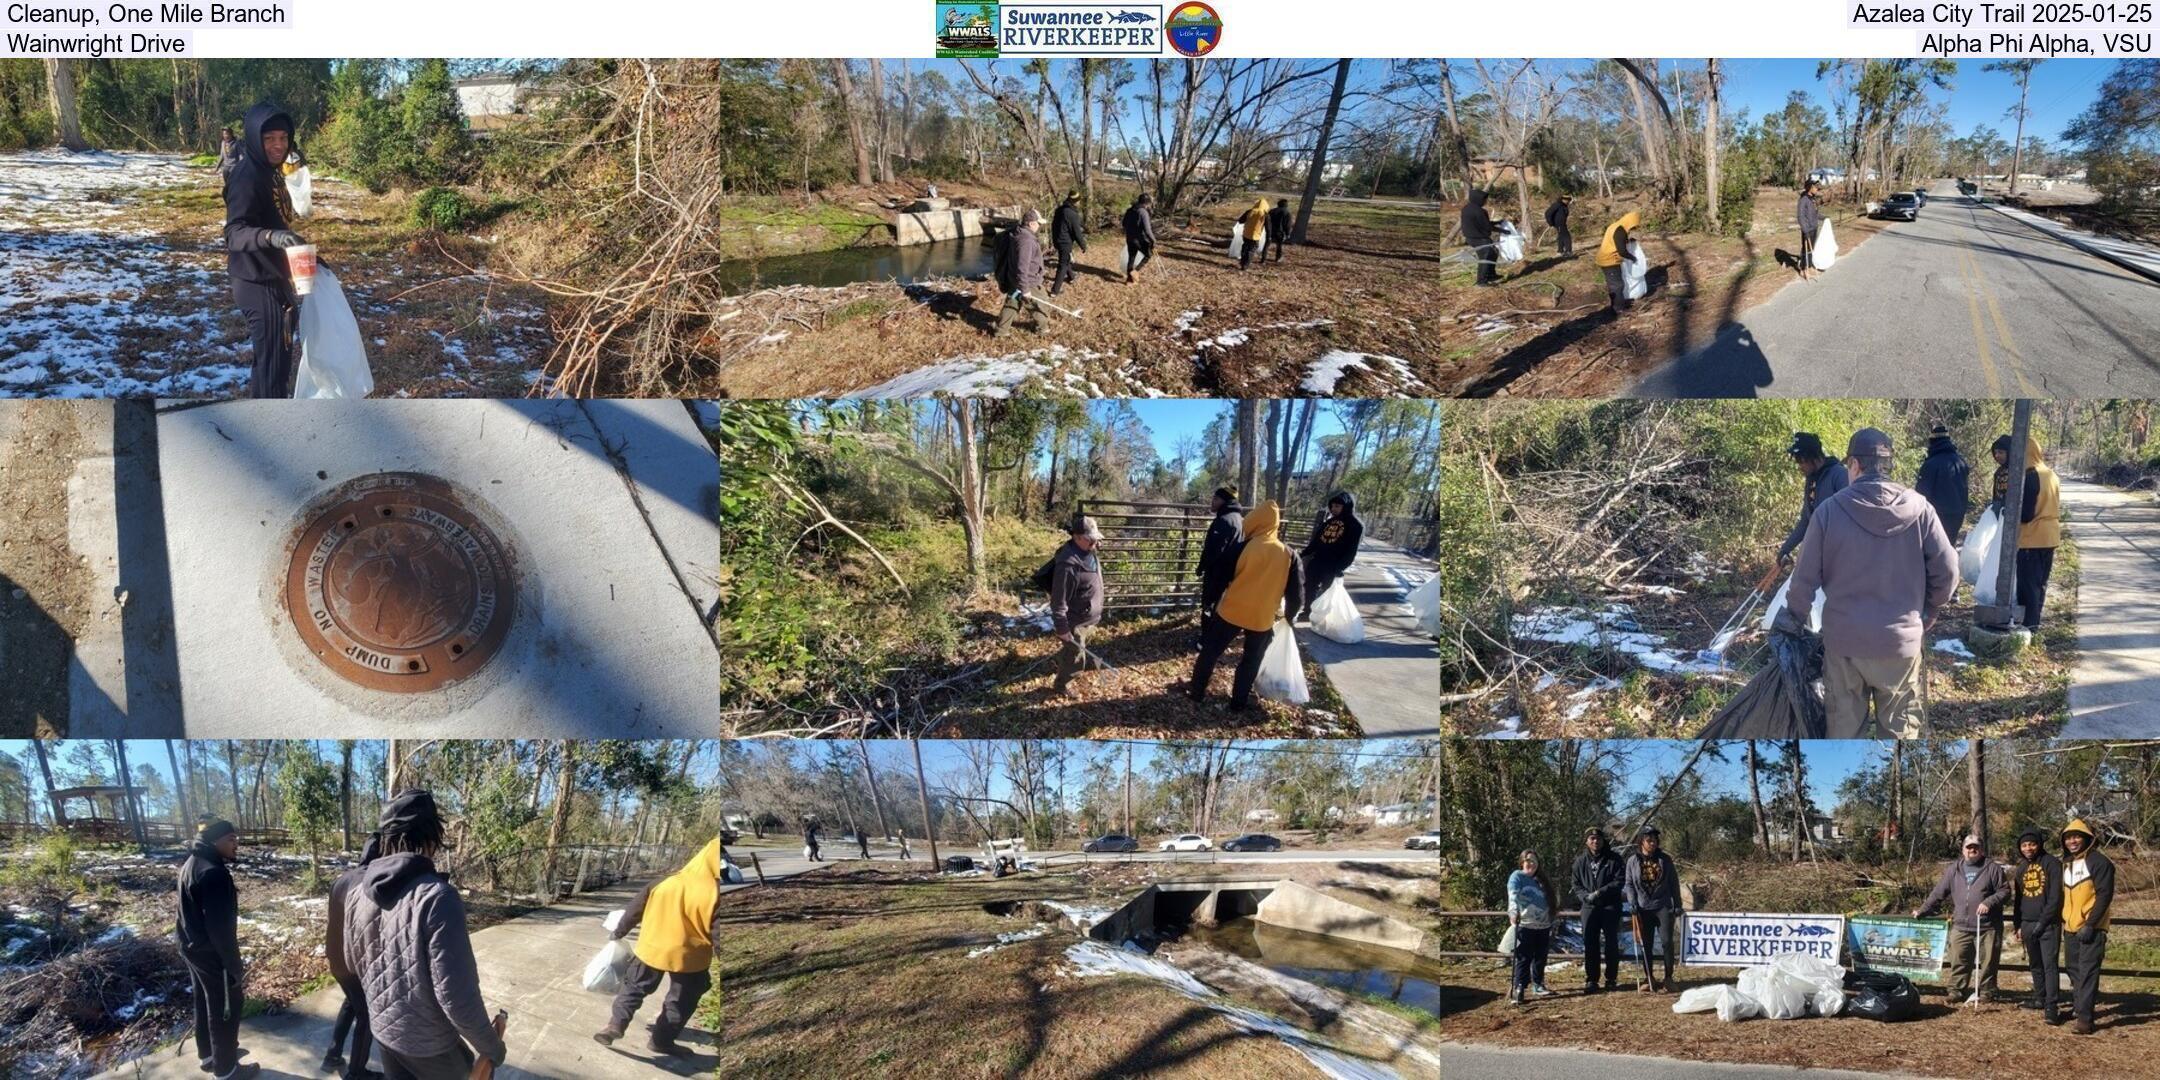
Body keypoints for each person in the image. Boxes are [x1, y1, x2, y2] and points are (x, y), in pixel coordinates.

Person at [1782, 429, 1958, 739]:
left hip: (1844, 646)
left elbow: (1803, 579)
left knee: (1845, 736)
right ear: (1888, 465)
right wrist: (1930, 609)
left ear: (1853, 465)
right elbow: (1947, 571)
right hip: (1900, 646)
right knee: (1901, 736)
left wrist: (1792, 619)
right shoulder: (1921, 510)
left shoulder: (1828, 512)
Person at [341, 791, 509, 1079]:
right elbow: (457, 997)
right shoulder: (437, 897)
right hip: (431, 1047)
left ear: (385, 839)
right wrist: (492, 1047)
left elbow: (352, 962)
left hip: (384, 1033)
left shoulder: (356, 894)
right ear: (432, 838)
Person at [596, 839, 718, 1056]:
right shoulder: (715, 892)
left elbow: (633, 911)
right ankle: (661, 1041)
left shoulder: (664, 882)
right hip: (690, 959)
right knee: (680, 1002)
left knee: (633, 989)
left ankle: (615, 1026)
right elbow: (718, 932)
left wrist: (619, 933)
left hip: (651, 950)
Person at [1181, 499, 1302, 710]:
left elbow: (1220, 577)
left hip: (1232, 611)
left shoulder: (1242, 548)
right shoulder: (1289, 555)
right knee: (1251, 660)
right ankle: (1238, 703)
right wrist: (1290, 617)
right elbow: (1297, 593)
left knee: (1210, 651)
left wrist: (1210, 601)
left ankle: (1197, 692)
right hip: (1262, 618)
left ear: (1255, 521)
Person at [225, 102, 308, 399]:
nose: (278, 145)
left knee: (273, 365)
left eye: (283, 138)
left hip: (274, 276)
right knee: (273, 370)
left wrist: (308, 256)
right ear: (254, 138)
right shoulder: (247, 176)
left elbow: (277, 220)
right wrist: (270, 237)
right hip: (256, 281)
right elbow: (234, 233)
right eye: (269, 138)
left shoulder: (270, 171)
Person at [177, 820, 258, 1080]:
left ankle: (210, 1055)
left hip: (191, 946)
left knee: (203, 1001)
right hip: (211, 953)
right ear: (215, 841)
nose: (237, 844)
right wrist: (234, 967)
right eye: (231, 838)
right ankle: (227, 1070)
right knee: (225, 1007)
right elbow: (221, 930)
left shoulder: (192, 862)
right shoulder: (214, 873)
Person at [1914, 834, 2010, 1005]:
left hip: (1988, 926)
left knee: (1988, 962)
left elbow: (2004, 891)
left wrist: (1989, 902)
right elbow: (1938, 893)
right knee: (1958, 960)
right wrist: (1923, 910)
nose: (1972, 850)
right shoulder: (1954, 869)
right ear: (1963, 849)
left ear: (1981, 850)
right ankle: (1957, 991)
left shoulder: (1993, 868)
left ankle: (1987, 992)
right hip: (1961, 925)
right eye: (1969, 847)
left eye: (1976, 847)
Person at [324, 834, 384, 1080]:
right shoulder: (373, 883)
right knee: (367, 1014)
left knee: (352, 1002)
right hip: (357, 961)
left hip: (337, 958)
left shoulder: (341, 879)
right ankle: (357, 1072)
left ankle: (332, 1055)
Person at [2059, 818, 2114, 1035]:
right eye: (2068, 838)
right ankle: (2078, 1007)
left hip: (2092, 927)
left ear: (2087, 838)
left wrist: (2091, 924)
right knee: (2073, 970)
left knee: (2088, 971)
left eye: (2076, 836)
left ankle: (2085, 1019)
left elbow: (2104, 895)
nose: (2072, 841)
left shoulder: (2100, 862)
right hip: (2071, 927)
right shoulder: (2067, 863)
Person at [2006, 435, 2061, 630]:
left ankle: (2028, 627)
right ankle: (2035, 622)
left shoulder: (2031, 476)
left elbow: (2026, 514)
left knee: (2027, 586)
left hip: (2032, 538)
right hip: (2051, 536)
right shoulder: (2051, 474)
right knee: (2040, 584)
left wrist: (2010, 512)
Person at [2011, 829, 2065, 1024]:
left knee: (2050, 965)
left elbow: (2055, 897)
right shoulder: (2021, 868)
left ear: (2039, 844)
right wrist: (2017, 925)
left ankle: (2052, 1006)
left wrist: (2044, 921)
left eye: (2031, 844)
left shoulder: (2052, 864)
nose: (2028, 848)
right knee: (2035, 964)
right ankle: (2040, 998)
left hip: (2049, 924)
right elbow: (2018, 899)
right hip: (2027, 923)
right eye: (2024, 845)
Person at [1049, 515, 1107, 696]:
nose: (1094, 543)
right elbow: (1058, 600)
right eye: (1090, 539)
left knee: (1077, 651)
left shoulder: (1087, 549)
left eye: (1095, 539)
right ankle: (1062, 685)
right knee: (1075, 655)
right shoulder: (1067, 564)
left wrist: (1093, 544)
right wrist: (1062, 627)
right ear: (1076, 537)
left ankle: (1067, 672)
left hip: (1087, 616)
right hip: (1076, 620)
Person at [1777, 432, 1849, 568]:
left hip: (1839, 558)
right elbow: (1806, 520)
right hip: (1819, 554)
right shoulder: (1812, 480)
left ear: (1812, 458)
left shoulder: (1839, 475)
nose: (1799, 466)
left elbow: (1850, 517)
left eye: (1800, 461)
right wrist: (1786, 549)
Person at [1624, 825, 1681, 993]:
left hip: (1662, 906)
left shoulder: (1665, 859)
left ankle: (1668, 977)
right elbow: (1629, 884)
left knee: (1666, 942)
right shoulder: (1632, 861)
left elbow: (1674, 883)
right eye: (1649, 840)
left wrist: (1678, 904)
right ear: (1641, 841)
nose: (1653, 843)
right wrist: (1632, 902)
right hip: (1643, 907)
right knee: (1646, 944)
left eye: (1655, 840)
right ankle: (1649, 978)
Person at [1570, 827, 1625, 993]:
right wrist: (1584, 896)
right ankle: (1592, 979)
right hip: (1589, 907)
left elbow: (1619, 881)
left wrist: (1601, 892)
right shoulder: (1580, 861)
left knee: (1611, 943)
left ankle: (1611, 978)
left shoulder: (1614, 859)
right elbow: (1576, 883)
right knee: (1590, 943)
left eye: (1598, 838)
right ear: (1587, 841)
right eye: (1592, 838)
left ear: (1603, 840)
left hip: (1610, 906)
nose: (1595, 841)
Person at [1296, 492, 1364, 621]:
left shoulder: (1355, 525)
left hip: (1334, 564)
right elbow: (1316, 542)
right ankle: (1308, 611)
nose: (1334, 509)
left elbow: (1351, 550)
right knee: (1309, 586)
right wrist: (1303, 554)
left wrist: (1341, 567)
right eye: (1332, 506)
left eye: (1337, 506)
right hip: (1318, 560)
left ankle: (1325, 617)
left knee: (1327, 592)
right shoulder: (1328, 522)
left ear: (1346, 506)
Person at [1506, 850, 1555, 1004]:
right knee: (1523, 957)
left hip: (1543, 925)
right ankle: (1519, 987)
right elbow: (1512, 895)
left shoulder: (1541, 880)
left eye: (1534, 860)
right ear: (1522, 862)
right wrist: (1513, 913)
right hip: (1525, 924)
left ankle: (1538, 984)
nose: (1531, 863)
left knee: (1540, 957)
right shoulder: (1517, 876)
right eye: (1527, 860)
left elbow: (1550, 900)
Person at [991, 210, 1049, 337]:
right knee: (1040, 304)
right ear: (1031, 224)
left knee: (1012, 303)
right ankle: (1042, 329)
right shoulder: (1026, 241)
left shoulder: (1018, 232)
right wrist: (1025, 288)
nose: (1039, 226)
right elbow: (1022, 266)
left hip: (1015, 278)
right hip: (1028, 280)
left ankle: (1001, 330)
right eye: (1038, 223)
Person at [1913, 424, 1973, 545]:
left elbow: (1921, 494)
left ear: (1932, 442)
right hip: (1957, 514)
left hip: (1936, 515)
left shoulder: (1930, 464)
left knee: (1934, 550)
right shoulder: (1960, 462)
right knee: (1950, 546)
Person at [1195, 486, 1245, 618]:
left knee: (1209, 606)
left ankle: (1206, 636)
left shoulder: (1224, 520)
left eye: (1216, 499)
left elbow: (1214, 550)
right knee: (1219, 606)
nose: (1212, 501)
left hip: (1217, 574)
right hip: (1228, 574)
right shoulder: (1238, 519)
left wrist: (1202, 566)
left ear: (1225, 501)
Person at [1595, 211, 1642, 317]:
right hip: (1608, 260)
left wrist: (1629, 241)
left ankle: (1616, 305)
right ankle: (1618, 309)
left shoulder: (1617, 226)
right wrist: (1633, 258)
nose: (1633, 229)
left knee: (1615, 284)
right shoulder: (1620, 230)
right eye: (1634, 226)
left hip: (1609, 259)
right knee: (1617, 285)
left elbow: (1617, 241)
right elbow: (1622, 251)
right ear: (1631, 222)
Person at [1049, 190, 1088, 297]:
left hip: (1057, 240)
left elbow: (1054, 226)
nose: (1079, 203)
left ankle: (1072, 277)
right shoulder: (1071, 214)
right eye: (1078, 201)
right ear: (1075, 202)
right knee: (1063, 265)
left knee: (1065, 259)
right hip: (1065, 242)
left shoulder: (1060, 210)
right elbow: (1077, 233)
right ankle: (1054, 291)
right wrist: (1083, 245)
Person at [1461, 189, 1498, 286]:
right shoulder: (1480, 211)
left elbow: (1480, 223)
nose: (1485, 202)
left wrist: (1498, 223)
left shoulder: (1467, 208)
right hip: (1478, 238)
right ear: (1479, 199)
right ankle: (1481, 281)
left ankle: (1491, 275)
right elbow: (1487, 226)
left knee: (1493, 253)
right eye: (1484, 200)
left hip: (1471, 237)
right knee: (1484, 258)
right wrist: (1504, 231)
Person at [1121, 193, 1156, 283]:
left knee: (1131, 258)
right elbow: (1148, 230)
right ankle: (1135, 271)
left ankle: (1129, 280)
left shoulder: (1130, 210)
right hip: (1139, 239)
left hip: (1129, 238)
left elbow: (1124, 224)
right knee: (1148, 255)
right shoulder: (1143, 212)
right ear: (1147, 203)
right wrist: (1153, 240)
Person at [1798, 179, 1824, 281]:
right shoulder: (1803, 199)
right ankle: (1803, 269)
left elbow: (1816, 213)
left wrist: (1824, 218)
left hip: (1814, 227)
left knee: (1811, 248)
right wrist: (1805, 230)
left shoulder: (1812, 199)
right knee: (1805, 249)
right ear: (1809, 188)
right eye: (1815, 187)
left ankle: (1809, 267)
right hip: (1807, 229)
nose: (1817, 188)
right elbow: (1800, 216)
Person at [1236, 197, 1270, 271]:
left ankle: (1242, 262)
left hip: (1246, 234)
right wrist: (1269, 237)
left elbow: (1241, 221)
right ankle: (1245, 265)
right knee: (1251, 250)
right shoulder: (1264, 215)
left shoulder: (1250, 211)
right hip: (1255, 235)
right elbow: (1268, 227)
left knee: (1245, 247)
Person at [1264, 198, 1292, 263]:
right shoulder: (1287, 213)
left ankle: (1263, 257)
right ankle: (1278, 258)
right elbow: (1288, 224)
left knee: (1266, 244)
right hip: (1280, 232)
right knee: (1279, 246)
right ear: (1286, 205)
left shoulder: (1271, 211)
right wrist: (1288, 233)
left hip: (1270, 230)